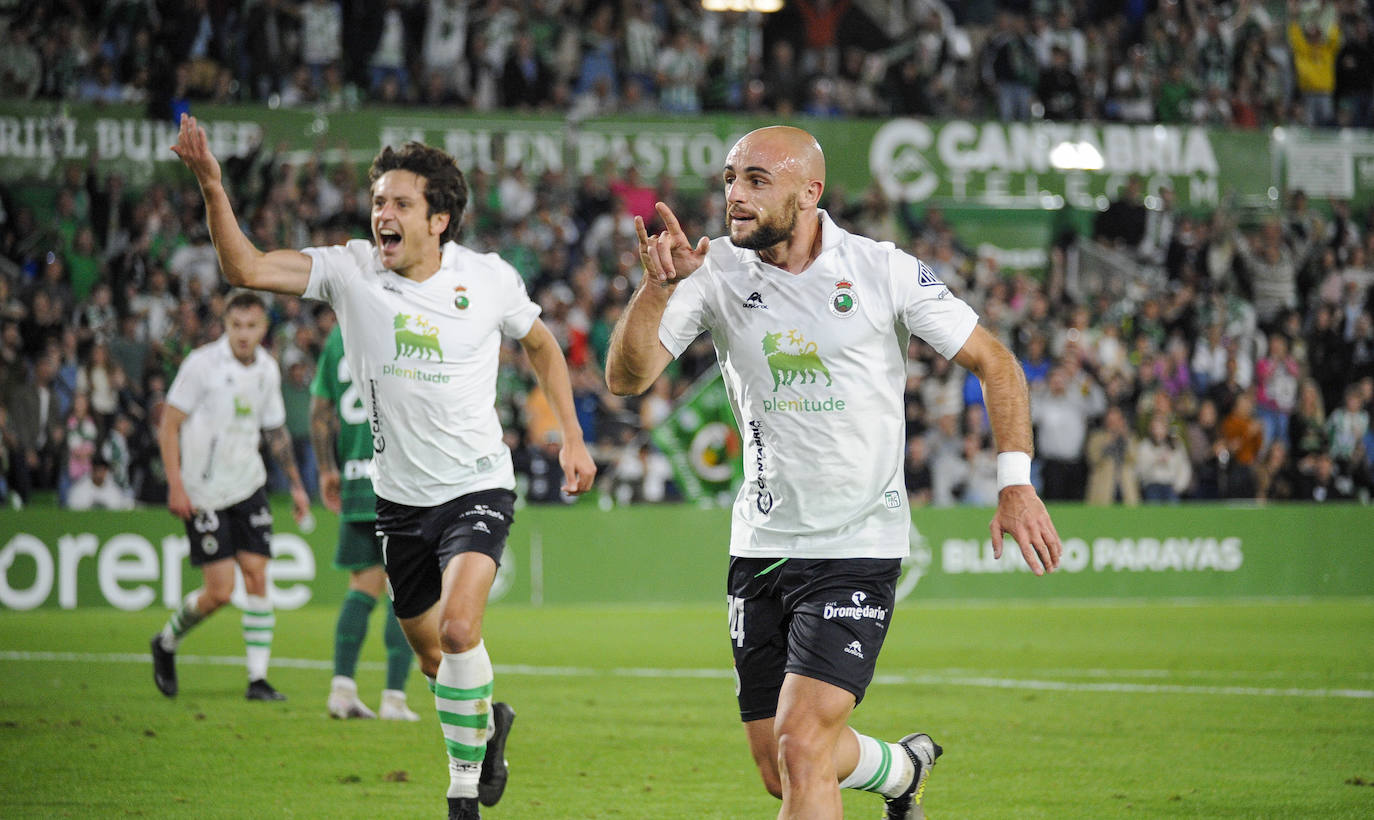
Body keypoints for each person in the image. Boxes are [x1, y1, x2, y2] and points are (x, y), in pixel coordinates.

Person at [604, 126, 1062, 820]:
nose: (735, 196)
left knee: (801, 745)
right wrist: (654, 291)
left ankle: (885, 769)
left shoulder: (882, 268)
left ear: (810, 192)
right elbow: (626, 377)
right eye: (730, 179)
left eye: (757, 180)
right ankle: (901, 767)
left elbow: (995, 362)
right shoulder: (714, 270)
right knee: (779, 767)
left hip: (858, 545)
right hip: (760, 547)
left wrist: (1016, 482)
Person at [169, 114, 596, 820]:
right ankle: (489, 726)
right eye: (377, 202)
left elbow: (544, 346)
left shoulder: (487, 279)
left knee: (460, 633)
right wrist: (213, 184)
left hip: (477, 487)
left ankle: (461, 793)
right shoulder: (350, 270)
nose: (381, 215)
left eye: (399, 203)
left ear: (440, 218)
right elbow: (243, 267)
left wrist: (571, 437)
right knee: (435, 661)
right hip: (399, 502)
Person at [149, 290, 312, 702]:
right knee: (220, 592)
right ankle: (166, 641)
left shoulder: (268, 370)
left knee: (257, 576)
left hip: (249, 485)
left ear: (264, 328)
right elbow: (169, 425)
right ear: (225, 324)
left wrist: (295, 484)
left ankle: (258, 679)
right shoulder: (201, 365)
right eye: (236, 325)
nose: (243, 334)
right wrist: (176, 484)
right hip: (204, 492)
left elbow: (275, 431)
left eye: (251, 326)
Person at [311, 323, 419, 721]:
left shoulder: (338, 337)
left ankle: (342, 691)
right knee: (405, 589)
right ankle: (393, 698)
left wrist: (326, 469)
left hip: (356, 478)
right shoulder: (400, 323)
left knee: (362, 585)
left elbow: (320, 410)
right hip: (399, 477)